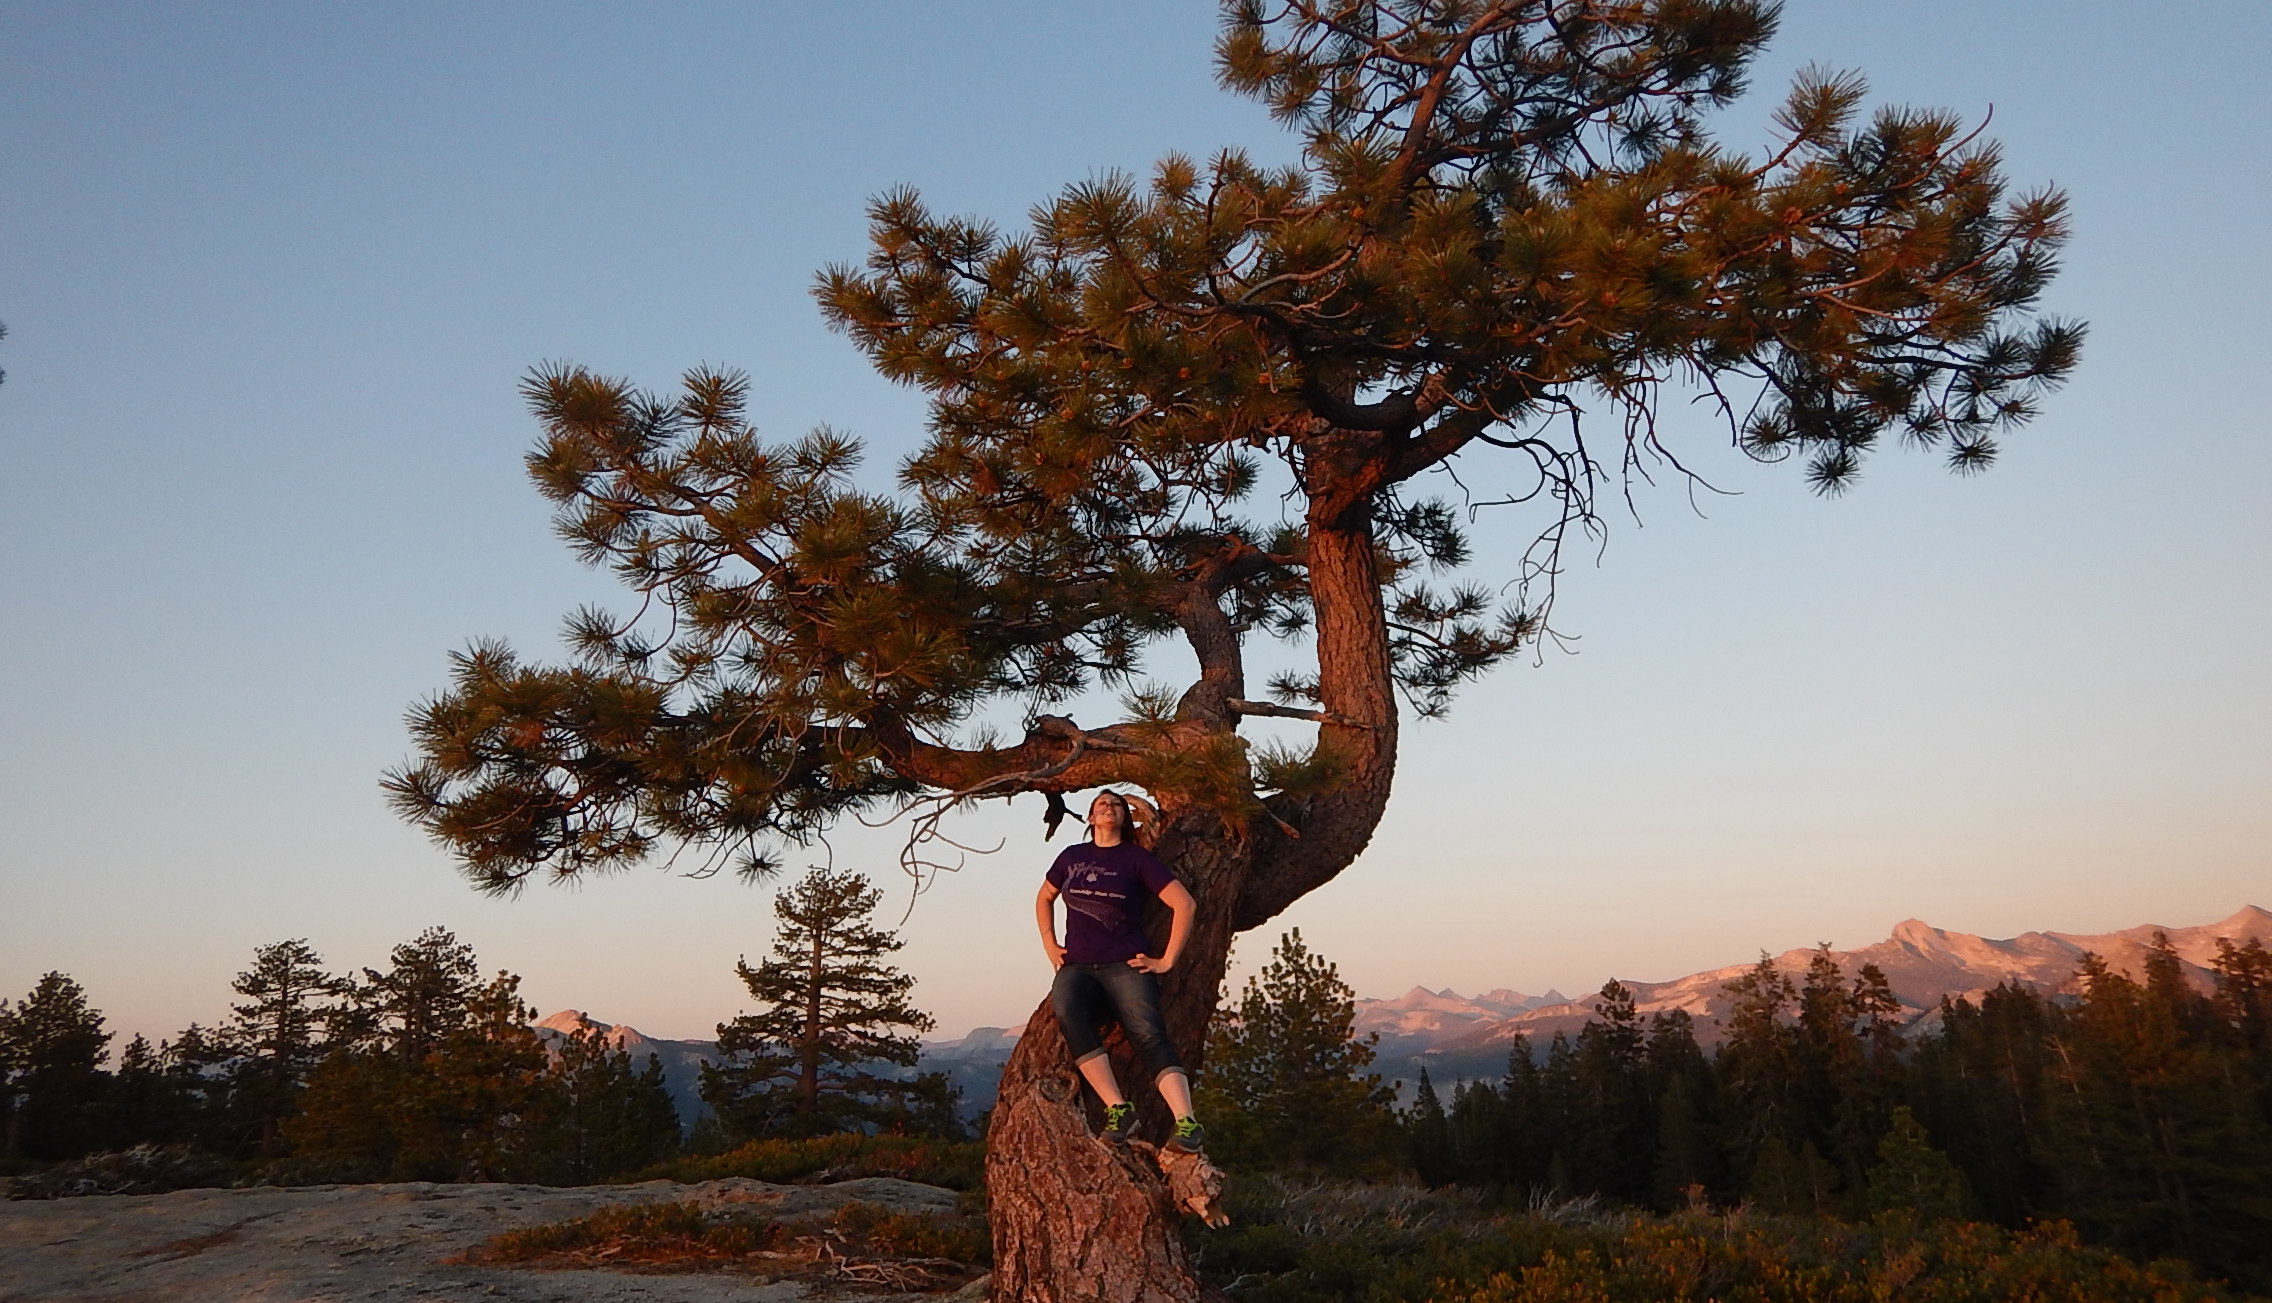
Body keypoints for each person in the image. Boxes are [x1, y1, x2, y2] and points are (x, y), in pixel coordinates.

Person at [1036, 789, 1206, 1151]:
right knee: (1069, 1015)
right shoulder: (1072, 857)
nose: (1108, 808)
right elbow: (1044, 897)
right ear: (1091, 818)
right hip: (1079, 964)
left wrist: (1167, 960)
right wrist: (1049, 944)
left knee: (1148, 1035)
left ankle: (1187, 1124)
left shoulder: (1136, 859)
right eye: (1101, 805)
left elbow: (1184, 904)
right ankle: (1119, 1110)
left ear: (1125, 818)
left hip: (1125, 962)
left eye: (1116, 805)